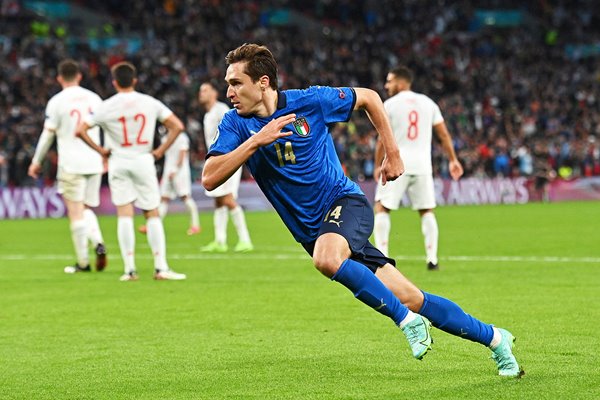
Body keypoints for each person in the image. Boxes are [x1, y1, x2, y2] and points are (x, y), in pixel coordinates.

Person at [202, 43, 522, 377]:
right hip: (316, 232)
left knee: (327, 260)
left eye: (236, 83)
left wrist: (392, 152)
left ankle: (408, 323)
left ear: (263, 82)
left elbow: (369, 96)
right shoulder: (235, 124)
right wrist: (256, 141)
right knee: (411, 296)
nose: (230, 92)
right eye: (228, 83)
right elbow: (210, 178)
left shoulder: (310, 101)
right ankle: (497, 340)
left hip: (345, 205)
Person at [76, 61, 186, 281]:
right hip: (144, 158)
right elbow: (177, 126)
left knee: (124, 214)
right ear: (134, 80)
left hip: (118, 160)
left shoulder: (106, 106)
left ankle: (129, 270)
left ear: (114, 82)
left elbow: (80, 130)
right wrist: (160, 151)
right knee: (151, 213)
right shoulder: (149, 102)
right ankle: (160, 267)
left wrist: (101, 151)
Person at [373, 66, 464, 271]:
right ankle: (432, 259)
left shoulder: (389, 105)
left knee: (382, 207)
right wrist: (453, 159)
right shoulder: (428, 103)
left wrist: (379, 163)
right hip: (423, 164)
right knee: (426, 211)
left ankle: (382, 259)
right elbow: (444, 135)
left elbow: (382, 139)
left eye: (390, 81)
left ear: (402, 82)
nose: (387, 86)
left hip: (396, 164)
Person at [28, 59, 107, 274]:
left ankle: (83, 262)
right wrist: (105, 155)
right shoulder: (94, 98)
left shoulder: (57, 101)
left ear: (59, 78)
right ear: (79, 76)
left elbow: (47, 134)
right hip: (94, 161)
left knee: (75, 212)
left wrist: (36, 161)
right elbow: (107, 128)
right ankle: (98, 243)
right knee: (87, 208)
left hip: (71, 163)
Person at [198, 81, 253, 252]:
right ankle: (220, 241)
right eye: (200, 91)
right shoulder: (208, 115)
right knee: (219, 201)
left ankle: (245, 240)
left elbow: (233, 132)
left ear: (214, 93)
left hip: (227, 159)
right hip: (216, 160)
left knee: (228, 198)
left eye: (205, 90)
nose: (201, 93)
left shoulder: (221, 110)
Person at [138, 129, 201, 236]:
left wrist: (175, 169)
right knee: (164, 198)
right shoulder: (165, 137)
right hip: (168, 171)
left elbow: (182, 154)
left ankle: (195, 225)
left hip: (180, 172)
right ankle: (153, 227)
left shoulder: (181, 137)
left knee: (185, 197)